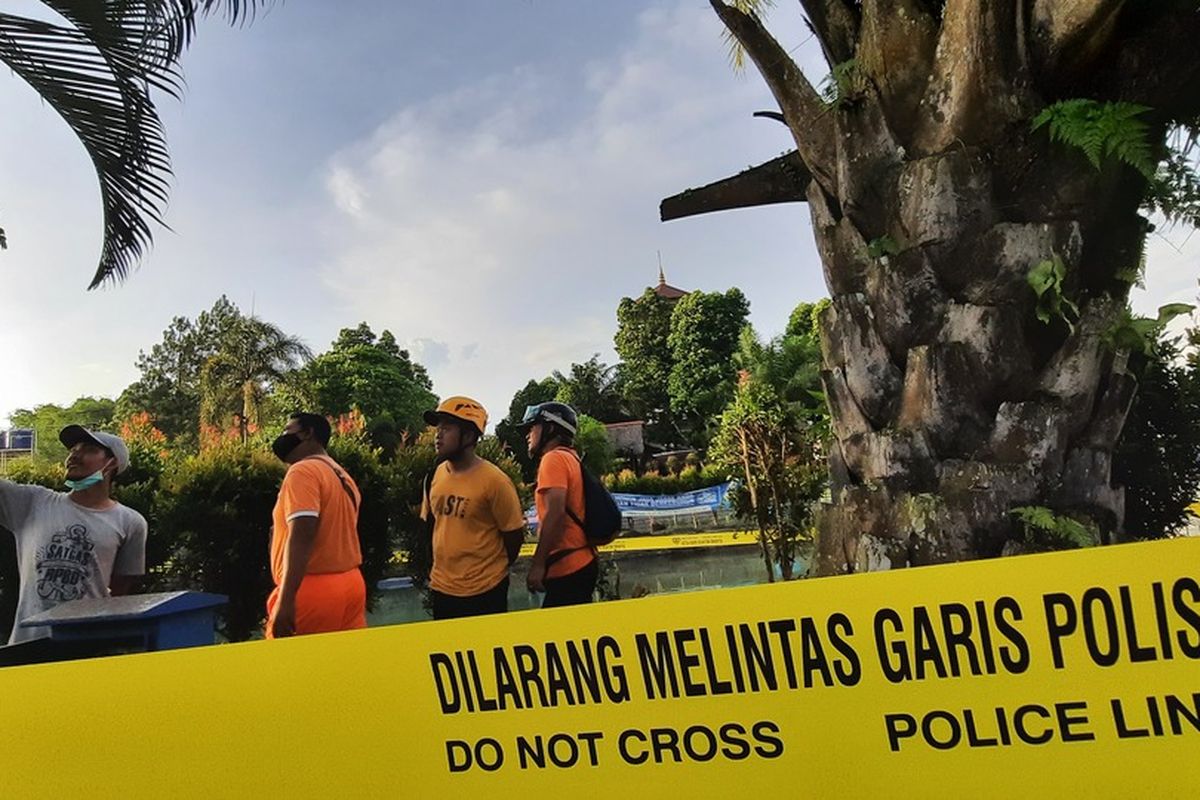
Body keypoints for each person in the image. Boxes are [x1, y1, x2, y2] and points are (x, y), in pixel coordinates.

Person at [0, 425, 147, 644]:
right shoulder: (32, 502)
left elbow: (119, 590)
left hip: (87, 646)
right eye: (73, 450)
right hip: (26, 644)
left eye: (88, 449)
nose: (74, 455)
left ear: (112, 462)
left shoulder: (131, 522)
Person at [422, 396, 526, 619]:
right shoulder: (435, 475)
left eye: (447, 428)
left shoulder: (495, 481)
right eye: (438, 428)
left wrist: (491, 571)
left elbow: (514, 535)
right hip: (443, 588)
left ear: (468, 436)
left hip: (485, 590)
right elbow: (432, 525)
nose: (438, 435)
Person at [267, 412, 366, 638]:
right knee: (342, 667)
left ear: (308, 433)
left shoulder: (303, 471)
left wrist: (287, 599)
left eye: (287, 430)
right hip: (351, 585)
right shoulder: (342, 476)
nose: (282, 437)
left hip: (312, 588)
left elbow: (302, 532)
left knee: (293, 669)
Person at [521, 402, 598, 607]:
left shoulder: (552, 459)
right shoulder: (571, 457)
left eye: (533, 427)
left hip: (568, 566)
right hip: (583, 560)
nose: (528, 434)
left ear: (551, 428)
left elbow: (555, 514)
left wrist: (537, 565)